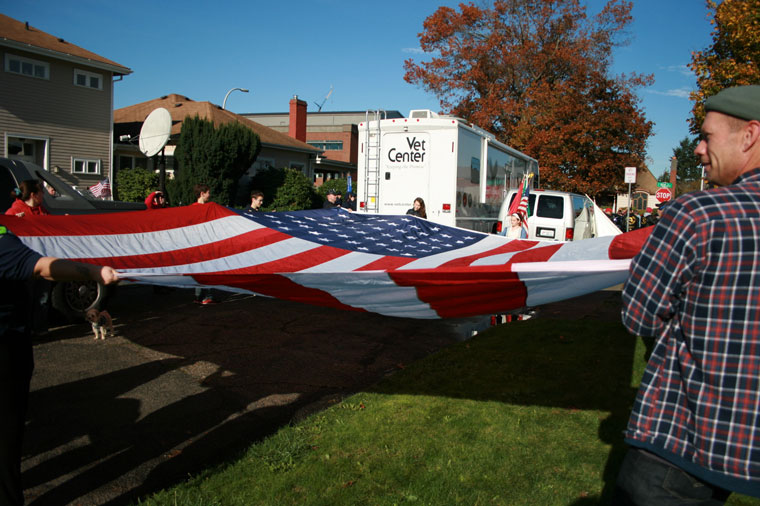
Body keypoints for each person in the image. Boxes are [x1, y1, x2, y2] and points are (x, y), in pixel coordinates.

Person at [613, 85, 760, 504]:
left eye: (708, 136)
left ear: (748, 136)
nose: (698, 149)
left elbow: (638, 314)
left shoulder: (697, 214)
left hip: (683, 438)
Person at [0, 225, 119, 506]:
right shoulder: (4, 244)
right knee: (6, 440)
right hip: (6, 351)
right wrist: (94, 273)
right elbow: (44, 267)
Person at [191, 184, 215, 305]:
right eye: (208, 192)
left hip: (198, 245)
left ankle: (198, 296)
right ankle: (206, 296)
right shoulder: (201, 209)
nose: (209, 195)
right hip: (202, 245)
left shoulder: (191, 209)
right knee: (206, 271)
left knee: (200, 271)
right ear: (202, 194)